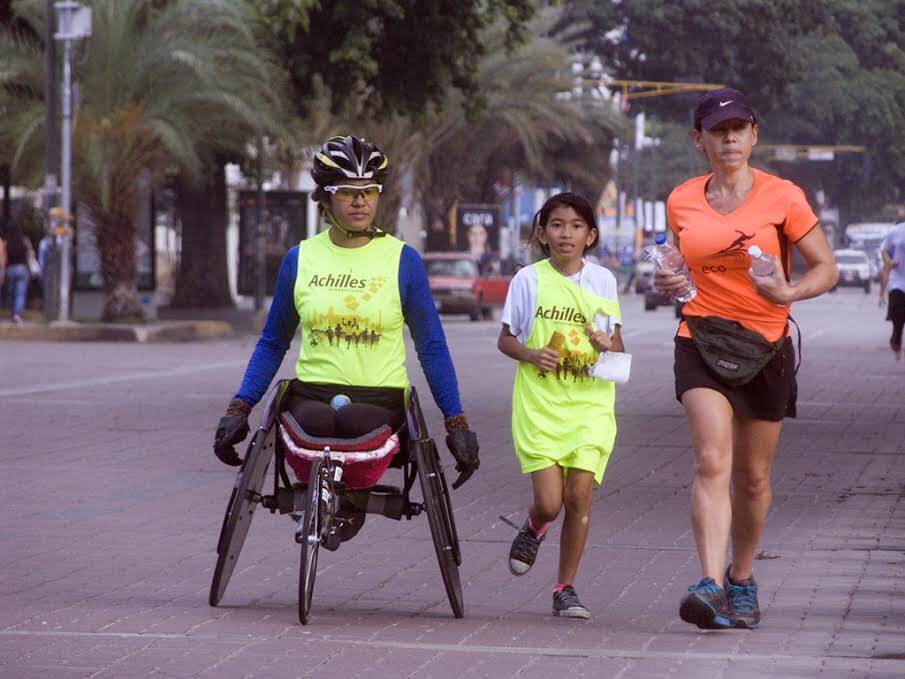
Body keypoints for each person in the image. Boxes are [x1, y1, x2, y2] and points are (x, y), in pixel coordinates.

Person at [213, 135, 480, 541]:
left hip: (380, 398)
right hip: (313, 394)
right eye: (348, 193)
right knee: (314, 424)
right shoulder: (299, 259)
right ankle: (320, 504)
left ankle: (342, 504)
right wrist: (239, 408)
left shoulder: (402, 261)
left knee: (355, 422)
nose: (360, 202)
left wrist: (455, 421)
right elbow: (272, 342)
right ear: (324, 199)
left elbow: (431, 347)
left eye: (369, 191)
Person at [654, 88, 838, 630]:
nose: (729, 138)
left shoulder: (785, 197)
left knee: (753, 479)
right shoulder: (681, 199)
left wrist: (790, 293)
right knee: (712, 460)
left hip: (765, 347)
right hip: (700, 338)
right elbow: (673, 268)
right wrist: (667, 281)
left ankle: (741, 576)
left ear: (754, 135)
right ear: (700, 140)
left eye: (739, 128)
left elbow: (825, 268)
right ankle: (708, 584)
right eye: (718, 130)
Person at [497, 192, 625, 619]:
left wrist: (606, 344)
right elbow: (506, 339)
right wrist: (531, 354)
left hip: (590, 407)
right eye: (556, 224)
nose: (565, 233)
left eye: (575, 226)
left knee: (579, 496)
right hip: (540, 406)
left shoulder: (604, 282)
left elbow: (617, 349)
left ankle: (564, 588)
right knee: (551, 502)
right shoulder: (527, 281)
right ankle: (535, 526)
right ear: (541, 232)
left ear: (590, 235)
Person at [879, 221, 905, 360]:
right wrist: (889, 261)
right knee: (898, 315)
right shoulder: (896, 231)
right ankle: (896, 339)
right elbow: (884, 249)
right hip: (898, 280)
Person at [3, 222, 34, 325]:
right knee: (20, 294)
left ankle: (13, 314)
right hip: (22, 268)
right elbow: (31, 253)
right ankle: (18, 315)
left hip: (10, 269)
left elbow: (4, 257)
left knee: (12, 293)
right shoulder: (25, 240)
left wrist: (3, 270)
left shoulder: (6, 242)